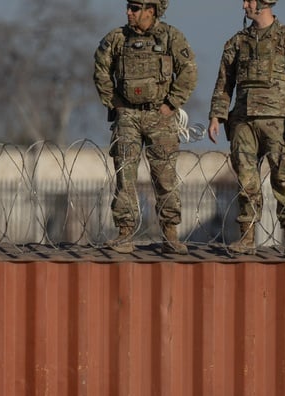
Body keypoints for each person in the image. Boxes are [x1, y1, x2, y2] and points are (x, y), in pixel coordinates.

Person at [93, 0, 198, 255]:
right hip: (127, 116)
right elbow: (101, 70)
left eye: (135, 8)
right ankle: (124, 233)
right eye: (128, 7)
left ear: (150, 11)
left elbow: (189, 72)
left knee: (165, 177)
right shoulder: (117, 38)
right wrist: (115, 103)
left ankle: (170, 233)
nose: (129, 12)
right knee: (125, 174)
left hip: (159, 117)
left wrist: (171, 104)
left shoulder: (171, 37)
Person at [208, 0, 285, 257]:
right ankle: (247, 237)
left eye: (249, 1)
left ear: (263, 3)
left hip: (277, 122)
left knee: (283, 178)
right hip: (243, 121)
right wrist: (216, 117)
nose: (244, 6)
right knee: (246, 180)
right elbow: (224, 83)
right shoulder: (237, 43)